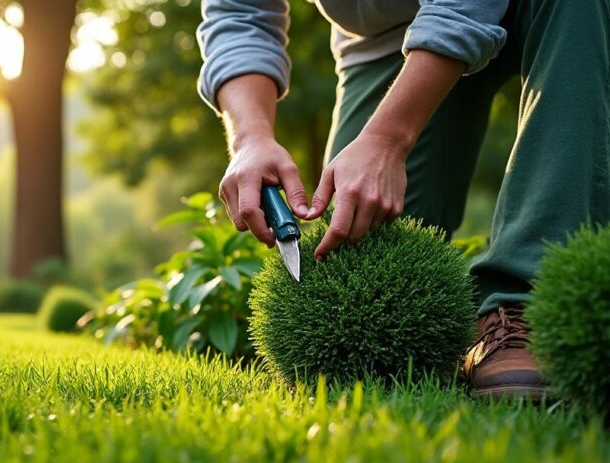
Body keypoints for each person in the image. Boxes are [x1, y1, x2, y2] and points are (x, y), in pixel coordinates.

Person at [198, 0, 610, 399]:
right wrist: (250, 139)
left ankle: (523, 302)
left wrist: (387, 139)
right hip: (384, 37)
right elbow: (238, 14)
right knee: (355, 260)